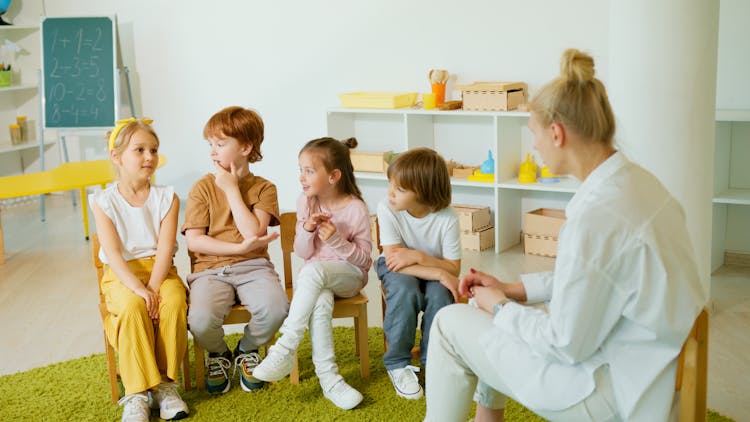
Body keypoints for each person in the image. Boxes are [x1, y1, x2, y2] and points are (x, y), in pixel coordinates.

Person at [424, 49, 707, 422]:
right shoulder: (640, 185)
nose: (535, 147)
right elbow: (590, 279)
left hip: (611, 392)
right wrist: (511, 290)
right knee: (502, 318)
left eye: (534, 135)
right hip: (649, 365)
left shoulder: (595, 217)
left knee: (449, 323)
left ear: (556, 134)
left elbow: (564, 343)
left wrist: (498, 306)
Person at [253, 137, 372, 410]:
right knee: (319, 300)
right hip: (318, 281)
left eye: (309, 171)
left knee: (314, 272)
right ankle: (330, 380)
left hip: (349, 277)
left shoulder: (356, 209)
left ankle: (285, 347)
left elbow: (365, 262)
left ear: (333, 176)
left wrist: (337, 242)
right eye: (300, 170)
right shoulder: (306, 202)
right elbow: (303, 253)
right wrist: (306, 229)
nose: (301, 177)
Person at [182, 106, 289, 394]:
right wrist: (239, 247)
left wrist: (231, 189)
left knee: (276, 308)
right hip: (209, 271)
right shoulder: (201, 188)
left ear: (245, 147)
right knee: (200, 321)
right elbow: (194, 241)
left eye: (220, 144)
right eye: (210, 145)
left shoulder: (265, 188)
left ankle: (247, 348)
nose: (212, 152)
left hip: (253, 267)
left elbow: (252, 232)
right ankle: (220, 354)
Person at [91, 118, 188, 422]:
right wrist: (138, 289)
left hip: (160, 272)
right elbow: (114, 256)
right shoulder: (102, 201)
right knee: (134, 307)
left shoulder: (167, 198)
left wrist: (155, 288)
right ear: (116, 156)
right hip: (122, 277)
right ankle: (136, 393)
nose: (149, 157)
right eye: (140, 150)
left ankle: (166, 387)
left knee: (173, 302)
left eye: (154, 150)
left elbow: (164, 249)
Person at [375, 147, 462, 401]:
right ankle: (397, 363)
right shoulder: (387, 207)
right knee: (405, 289)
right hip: (396, 268)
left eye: (400, 189)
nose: (390, 192)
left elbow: (453, 269)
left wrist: (420, 257)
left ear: (424, 194)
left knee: (440, 295)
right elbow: (394, 261)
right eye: (391, 184)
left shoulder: (448, 218)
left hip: (426, 267)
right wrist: (438, 272)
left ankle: (433, 360)